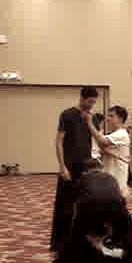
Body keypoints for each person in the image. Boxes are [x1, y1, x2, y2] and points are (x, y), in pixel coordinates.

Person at [50, 87, 98, 251]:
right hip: (69, 167)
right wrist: (62, 166)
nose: (91, 105)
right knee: (64, 205)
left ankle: (81, 242)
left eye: (94, 102)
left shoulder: (92, 118)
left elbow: (97, 140)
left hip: (87, 167)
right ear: (82, 98)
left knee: (85, 205)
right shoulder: (67, 115)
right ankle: (59, 243)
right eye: (90, 101)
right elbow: (59, 142)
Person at [85, 106, 131, 197]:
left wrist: (89, 123)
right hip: (110, 175)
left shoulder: (121, 134)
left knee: (115, 200)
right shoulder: (113, 134)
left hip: (117, 177)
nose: (108, 119)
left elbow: (102, 141)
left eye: (111, 116)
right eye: (108, 116)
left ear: (120, 119)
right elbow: (102, 147)